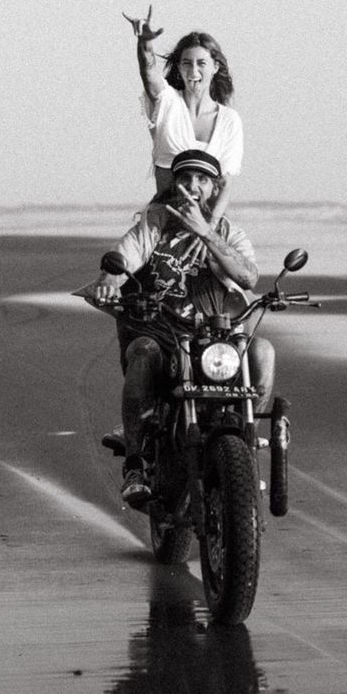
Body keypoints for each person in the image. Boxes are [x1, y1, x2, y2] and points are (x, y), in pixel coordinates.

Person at [80, 149, 274, 508]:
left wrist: (206, 232)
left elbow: (247, 276)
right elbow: (125, 256)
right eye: (185, 178)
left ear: (214, 188)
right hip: (160, 329)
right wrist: (110, 276)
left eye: (202, 180)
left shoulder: (229, 231)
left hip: (216, 337)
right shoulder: (155, 222)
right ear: (175, 183)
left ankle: (247, 444)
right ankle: (136, 462)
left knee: (263, 351)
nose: (192, 186)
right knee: (143, 353)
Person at [122, 6, 243, 232]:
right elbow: (148, 72)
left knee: (242, 267)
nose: (193, 70)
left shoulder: (229, 120)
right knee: (120, 263)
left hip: (209, 223)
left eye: (201, 63)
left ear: (215, 67)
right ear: (179, 67)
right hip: (162, 220)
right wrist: (145, 42)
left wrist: (209, 233)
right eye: (187, 63)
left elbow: (225, 183)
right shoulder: (167, 102)